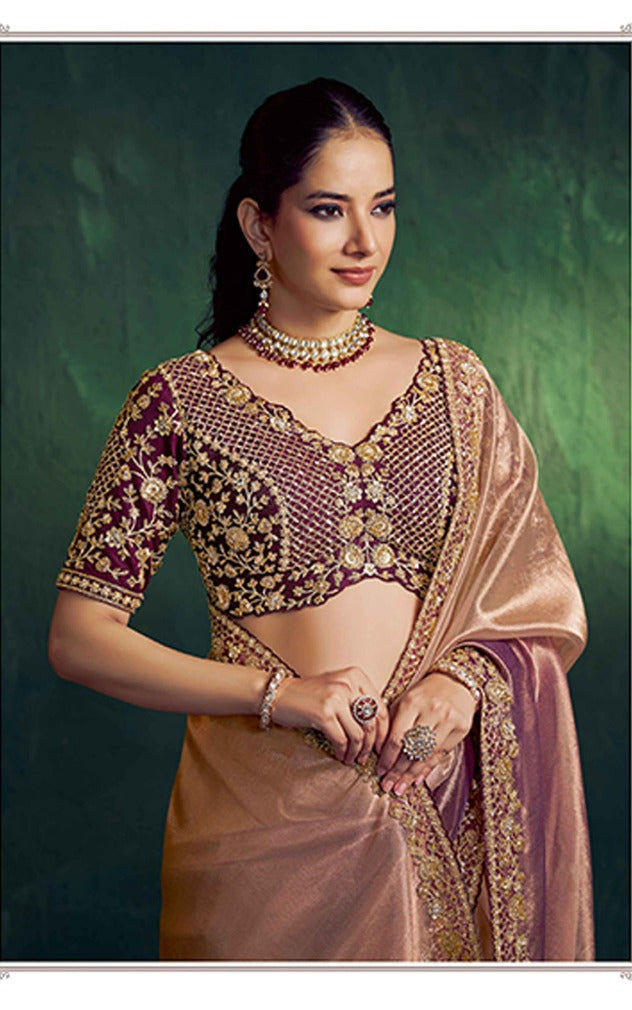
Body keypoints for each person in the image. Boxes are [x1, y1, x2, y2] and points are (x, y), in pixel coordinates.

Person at [48, 77, 594, 962]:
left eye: (382, 207)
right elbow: (81, 638)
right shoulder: (177, 402)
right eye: (329, 209)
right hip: (261, 832)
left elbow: (534, 597)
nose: (364, 240)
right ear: (260, 225)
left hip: (441, 798)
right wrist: (282, 696)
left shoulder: (458, 386)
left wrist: (463, 683)